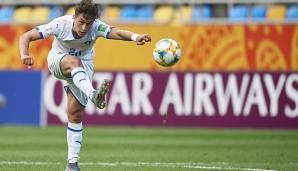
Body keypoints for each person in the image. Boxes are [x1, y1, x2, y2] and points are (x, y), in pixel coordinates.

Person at [19, 0, 151, 170]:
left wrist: (135, 37)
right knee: (74, 61)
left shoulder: (96, 27)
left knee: (75, 113)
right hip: (58, 59)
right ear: (75, 17)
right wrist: (24, 54)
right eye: (81, 22)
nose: (83, 28)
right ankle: (94, 95)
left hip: (84, 65)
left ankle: (72, 164)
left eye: (88, 24)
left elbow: (116, 33)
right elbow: (26, 36)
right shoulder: (60, 24)